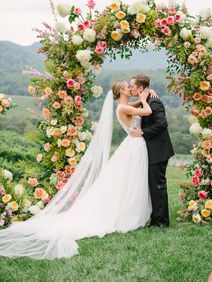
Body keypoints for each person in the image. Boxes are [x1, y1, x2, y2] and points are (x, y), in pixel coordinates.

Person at [0, 81, 156, 260]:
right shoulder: (122, 108)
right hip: (134, 146)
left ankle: (129, 209)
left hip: (134, 145)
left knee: (131, 180)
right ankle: (128, 213)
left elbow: (135, 106)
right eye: (128, 87)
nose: (131, 89)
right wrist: (144, 100)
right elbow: (147, 111)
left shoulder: (124, 105)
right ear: (121, 90)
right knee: (131, 180)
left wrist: (145, 96)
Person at [129, 75, 174, 228]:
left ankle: (161, 222)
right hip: (151, 150)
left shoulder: (153, 101)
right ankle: (156, 218)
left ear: (141, 88)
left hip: (159, 150)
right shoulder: (145, 100)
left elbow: (162, 123)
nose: (130, 89)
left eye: (132, 86)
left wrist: (142, 132)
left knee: (158, 186)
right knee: (153, 185)